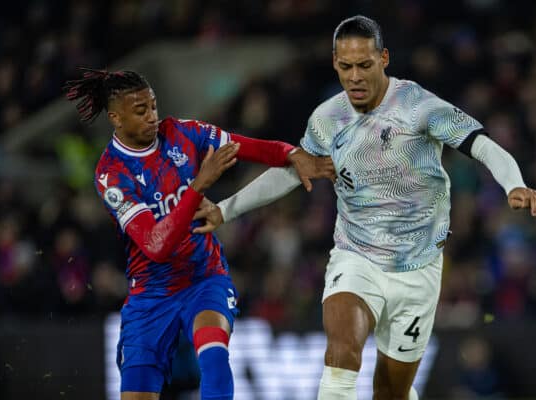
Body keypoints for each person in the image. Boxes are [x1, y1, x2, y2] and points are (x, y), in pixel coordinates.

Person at [193, 15, 536, 400]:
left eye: (364, 65)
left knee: (391, 392)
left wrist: (515, 184)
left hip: (419, 268)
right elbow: (295, 172)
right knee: (341, 353)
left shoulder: (418, 106)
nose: (355, 76)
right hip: (356, 257)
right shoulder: (328, 119)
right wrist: (225, 209)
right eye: (346, 67)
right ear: (334, 64)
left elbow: (482, 145)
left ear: (384, 59)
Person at [63, 67, 335, 400]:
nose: (152, 116)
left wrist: (292, 154)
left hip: (203, 276)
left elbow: (248, 147)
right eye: (140, 111)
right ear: (116, 118)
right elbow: (155, 245)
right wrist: (198, 185)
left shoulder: (183, 134)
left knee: (215, 355)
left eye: (153, 106)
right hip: (151, 293)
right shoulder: (111, 173)